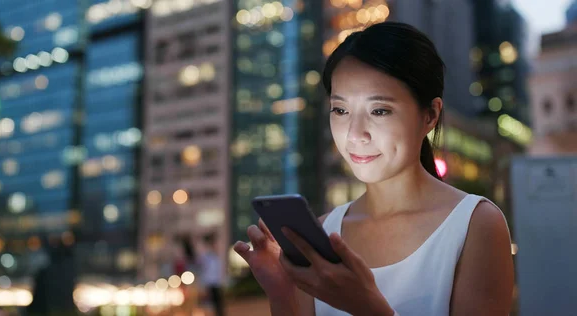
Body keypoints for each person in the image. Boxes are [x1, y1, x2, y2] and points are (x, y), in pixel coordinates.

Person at [233, 22, 514, 316]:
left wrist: (367, 307)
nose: (355, 134)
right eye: (340, 110)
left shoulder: (475, 225)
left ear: (430, 115)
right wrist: (282, 292)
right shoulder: (324, 231)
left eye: (379, 110)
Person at [199, 234, 224, 316]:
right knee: (211, 304)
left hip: (216, 283)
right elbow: (205, 270)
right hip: (210, 283)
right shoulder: (207, 257)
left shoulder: (215, 257)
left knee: (219, 304)